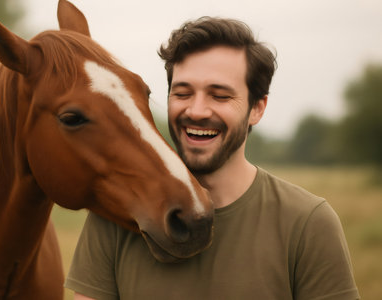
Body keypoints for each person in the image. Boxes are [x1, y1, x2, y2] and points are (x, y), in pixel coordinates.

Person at [65, 17, 360, 300]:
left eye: (219, 96)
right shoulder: (118, 217)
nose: (197, 110)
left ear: (257, 108)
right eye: (182, 93)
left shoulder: (308, 223)